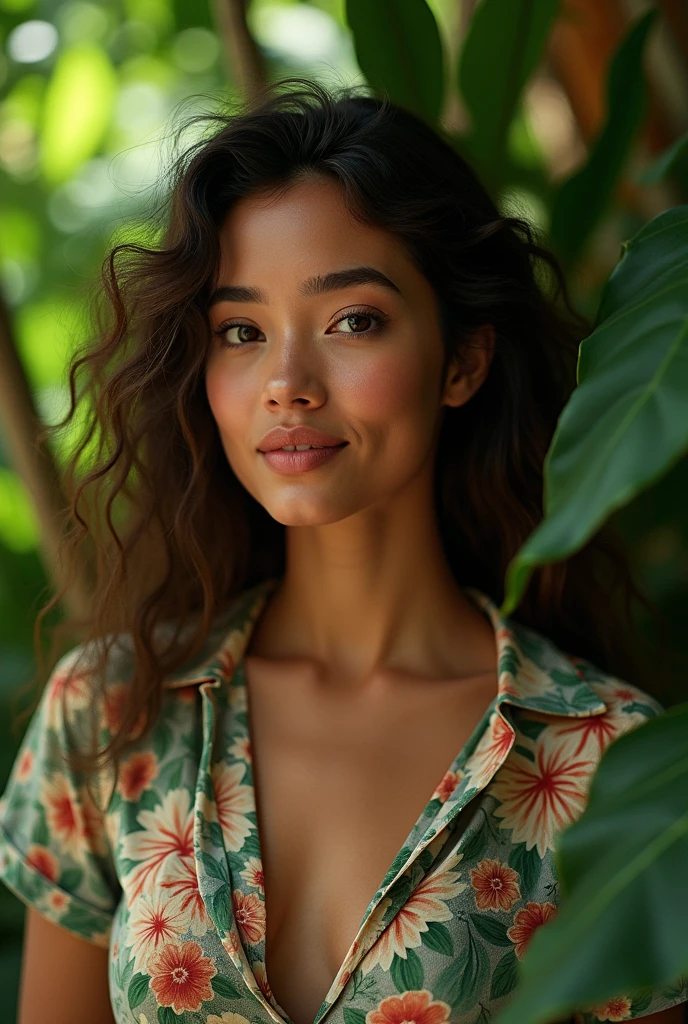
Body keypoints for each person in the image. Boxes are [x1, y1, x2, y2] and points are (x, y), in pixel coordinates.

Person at [0, 78, 685, 1024]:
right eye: (241, 332)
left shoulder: (607, 764)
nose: (286, 383)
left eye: (351, 321)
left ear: (463, 360)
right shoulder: (114, 717)